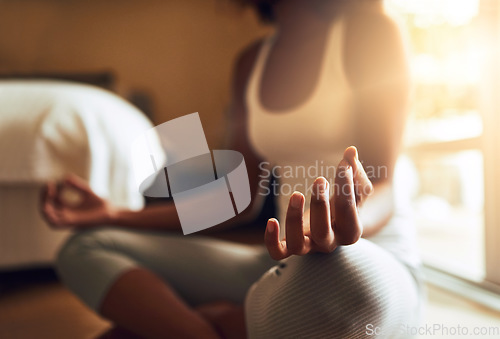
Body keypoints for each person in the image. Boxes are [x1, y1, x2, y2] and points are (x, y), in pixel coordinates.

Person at [41, 0, 423, 338]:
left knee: (331, 287)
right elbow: (238, 199)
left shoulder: (372, 33)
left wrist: (340, 224)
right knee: (85, 246)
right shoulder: (251, 62)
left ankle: (207, 323)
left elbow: (384, 182)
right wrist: (115, 213)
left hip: (367, 256)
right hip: (280, 258)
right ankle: (215, 327)